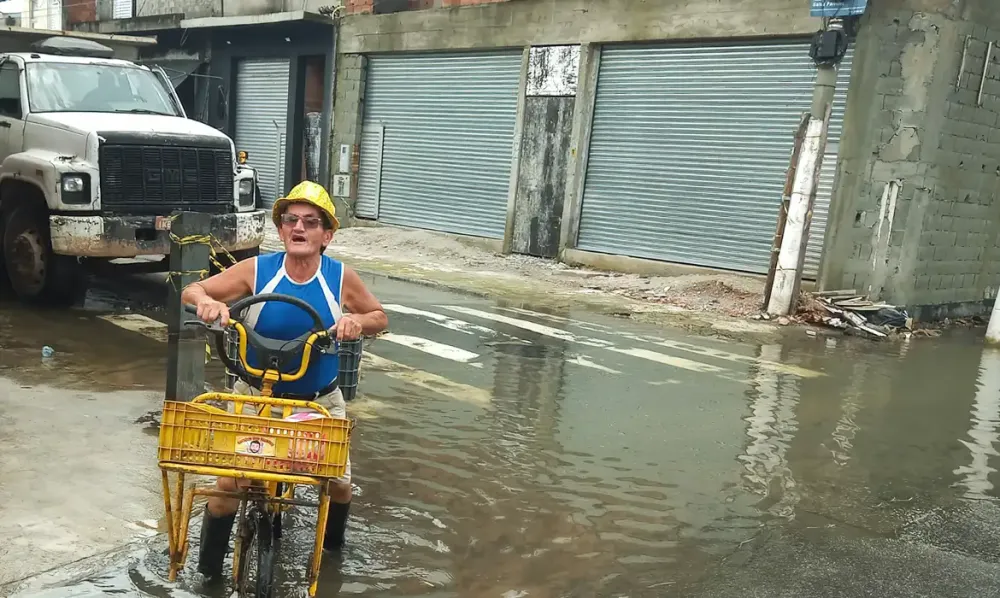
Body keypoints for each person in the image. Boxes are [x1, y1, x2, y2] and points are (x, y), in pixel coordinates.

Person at [180, 180, 389, 581]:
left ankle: (331, 558)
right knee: (226, 490)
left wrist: (354, 321)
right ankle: (207, 576)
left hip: (317, 402)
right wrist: (206, 301)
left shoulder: (340, 277)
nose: (299, 228)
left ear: (326, 235)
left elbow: (380, 317)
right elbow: (194, 288)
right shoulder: (258, 270)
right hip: (253, 396)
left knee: (340, 486)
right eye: (291, 220)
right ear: (280, 231)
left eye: (311, 222)